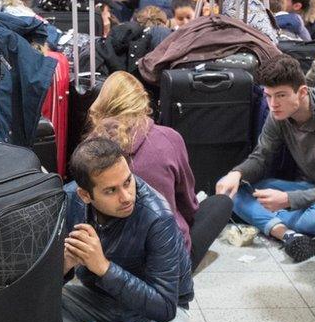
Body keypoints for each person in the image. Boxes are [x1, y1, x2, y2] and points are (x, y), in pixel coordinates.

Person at [61, 137, 194, 322]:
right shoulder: (69, 200)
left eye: (128, 181)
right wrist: (63, 265)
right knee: (31, 308)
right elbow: (41, 285)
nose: (126, 196)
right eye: (111, 191)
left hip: (154, 316)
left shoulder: (158, 218)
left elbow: (165, 307)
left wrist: (104, 268)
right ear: (85, 195)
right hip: (101, 300)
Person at [87, 71, 234, 267]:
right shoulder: (168, 138)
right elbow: (188, 205)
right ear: (143, 102)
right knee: (221, 202)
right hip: (167, 261)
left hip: (106, 258)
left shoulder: (88, 149)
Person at [215, 55, 315, 262]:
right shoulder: (279, 114)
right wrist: (236, 173)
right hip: (305, 187)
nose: (273, 104)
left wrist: (288, 200)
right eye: (268, 96)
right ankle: (288, 234)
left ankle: (280, 224)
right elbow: (261, 156)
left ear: (302, 91)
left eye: (281, 95)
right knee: (231, 191)